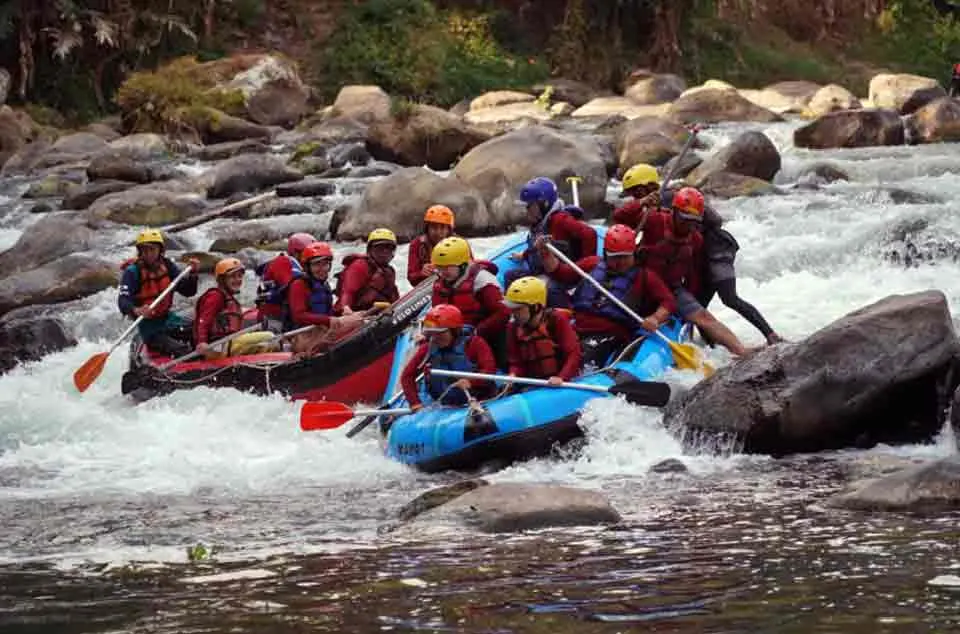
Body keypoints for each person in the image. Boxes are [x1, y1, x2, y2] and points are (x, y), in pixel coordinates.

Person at [541, 224, 676, 366]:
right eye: (615, 257)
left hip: (611, 335)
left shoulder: (644, 277)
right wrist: (545, 253)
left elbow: (668, 302)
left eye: (625, 257)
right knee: (546, 352)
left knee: (580, 361)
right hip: (576, 327)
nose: (621, 262)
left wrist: (655, 318)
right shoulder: (593, 263)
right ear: (606, 254)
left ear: (634, 253)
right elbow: (560, 273)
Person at [638, 186, 750, 357]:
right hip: (642, 282)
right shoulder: (656, 220)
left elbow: (693, 273)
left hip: (671, 288)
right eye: (685, 219)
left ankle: (740, 351)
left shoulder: (695, 239)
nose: (688, 225)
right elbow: (621, 217)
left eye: (693, 221)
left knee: (704, 317)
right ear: (674, 212)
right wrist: (641, 203)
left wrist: (692, 301)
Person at [696, 206, 784, 346]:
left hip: (716, 266)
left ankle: (770, 335)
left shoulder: (708, 236)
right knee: (701, 307)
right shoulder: (721, 236)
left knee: (722, 302)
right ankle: (711, 344)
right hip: (718, 265)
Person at [506, 176, 598, 307]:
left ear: (544, 204)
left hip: (564, 274)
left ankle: (565, 311)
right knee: (510, 276)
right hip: (544, 270)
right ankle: (518, 311)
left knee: (550, 289)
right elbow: (537, 245)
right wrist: (524, 255)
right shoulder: (540, 222)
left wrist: (584, 268)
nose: (527, 210)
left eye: (530, 206)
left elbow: (590, 234)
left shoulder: (560, 219)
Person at [118, 229, 199, 357]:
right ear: (140, 252)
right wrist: (136, 310)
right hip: (149, 328)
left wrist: (193, 274)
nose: (148, 254)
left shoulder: (167, 265)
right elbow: (123, 301)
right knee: (183, 351)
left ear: (160, 250)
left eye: (152, 249)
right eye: (144, 250)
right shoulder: (132, 272)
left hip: (168, 320)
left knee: (197, 331)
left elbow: (188, 291)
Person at [400, 304, 496, 411]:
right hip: (446, 407)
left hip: (481, 399)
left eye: (440, 333)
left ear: (454, 331)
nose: (435, 338)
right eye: (432, 333)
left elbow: (489, 370)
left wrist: (472, 381)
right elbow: (407, 376)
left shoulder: (474, 344)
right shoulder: (427, 349)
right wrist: (415, 403)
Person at [430, 236, 510, 351]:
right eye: (439, 267)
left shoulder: (482, 280)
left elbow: (503, 312)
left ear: (462, 265)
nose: (442, 272)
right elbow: (436, 312)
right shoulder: (440, 283)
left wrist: (477, 331)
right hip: (454, 336)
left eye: (447, 267)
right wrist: (428, 332)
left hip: (483, 336)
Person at [287, 241, 364, 356]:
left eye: (325, 264)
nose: (322, 269)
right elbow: (299, 316)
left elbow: (327, 313)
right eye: (316, 264)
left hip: (320, 330)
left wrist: (343, 314)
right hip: (302, 336)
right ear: (308, 267)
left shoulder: (324, 285)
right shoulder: (299, 285)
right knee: (357, 323)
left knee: (359, 318)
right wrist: (328, 320)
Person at [503, 276, 582, 384]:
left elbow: (573, 354)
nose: (513, 313)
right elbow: (516, 362)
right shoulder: (512, 327)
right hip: (535, 383)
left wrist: (562, 377)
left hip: (561, 380)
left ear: (536, 307)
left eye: (518, 309)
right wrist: (513, 375)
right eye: (512, 309)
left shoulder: (556, 320)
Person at [194, 258, 276, 358]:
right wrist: (202, 342)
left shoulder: (231, 300)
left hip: (230, 343)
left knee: (269, 343)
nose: (237, 280)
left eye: (239, 276)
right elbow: (204, 320)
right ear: (222, 279)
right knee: (269, 336)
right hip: (218, 346)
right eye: (232, 276)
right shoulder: (215, 296)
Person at [256, 232, 315, 332]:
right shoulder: (283, 262)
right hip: (274, 319)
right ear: (296, 253)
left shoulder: (300, 268)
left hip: (284, 316)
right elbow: (292, 288)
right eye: (308, 254)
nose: (311, 258)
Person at [335, 228, 400, 313]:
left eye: (389, 248)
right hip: (354, 314)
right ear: (370, 250)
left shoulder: (389, 271)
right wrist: (346, 309)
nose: (384, 252)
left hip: (377, 313)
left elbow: (395, 298)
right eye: (379, 248)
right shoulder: (359, 266)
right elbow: (348, 292)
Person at [407, 205, 456, 286]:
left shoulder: (460, 244)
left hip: (454, 286)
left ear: (449, 230)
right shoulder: (417, 244)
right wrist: (422, 273)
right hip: (429, 288)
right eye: (434, 227)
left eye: (442, 227)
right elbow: (412, 278)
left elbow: (471, 271)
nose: (438, 232)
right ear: (427, 228)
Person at [612, 163, 664, 230]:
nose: (634, 194)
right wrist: (641, 202)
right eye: (630, 191)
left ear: (651, 187)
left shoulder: (665, 205)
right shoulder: (633, 207)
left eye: (638, 190)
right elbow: (618, 216)